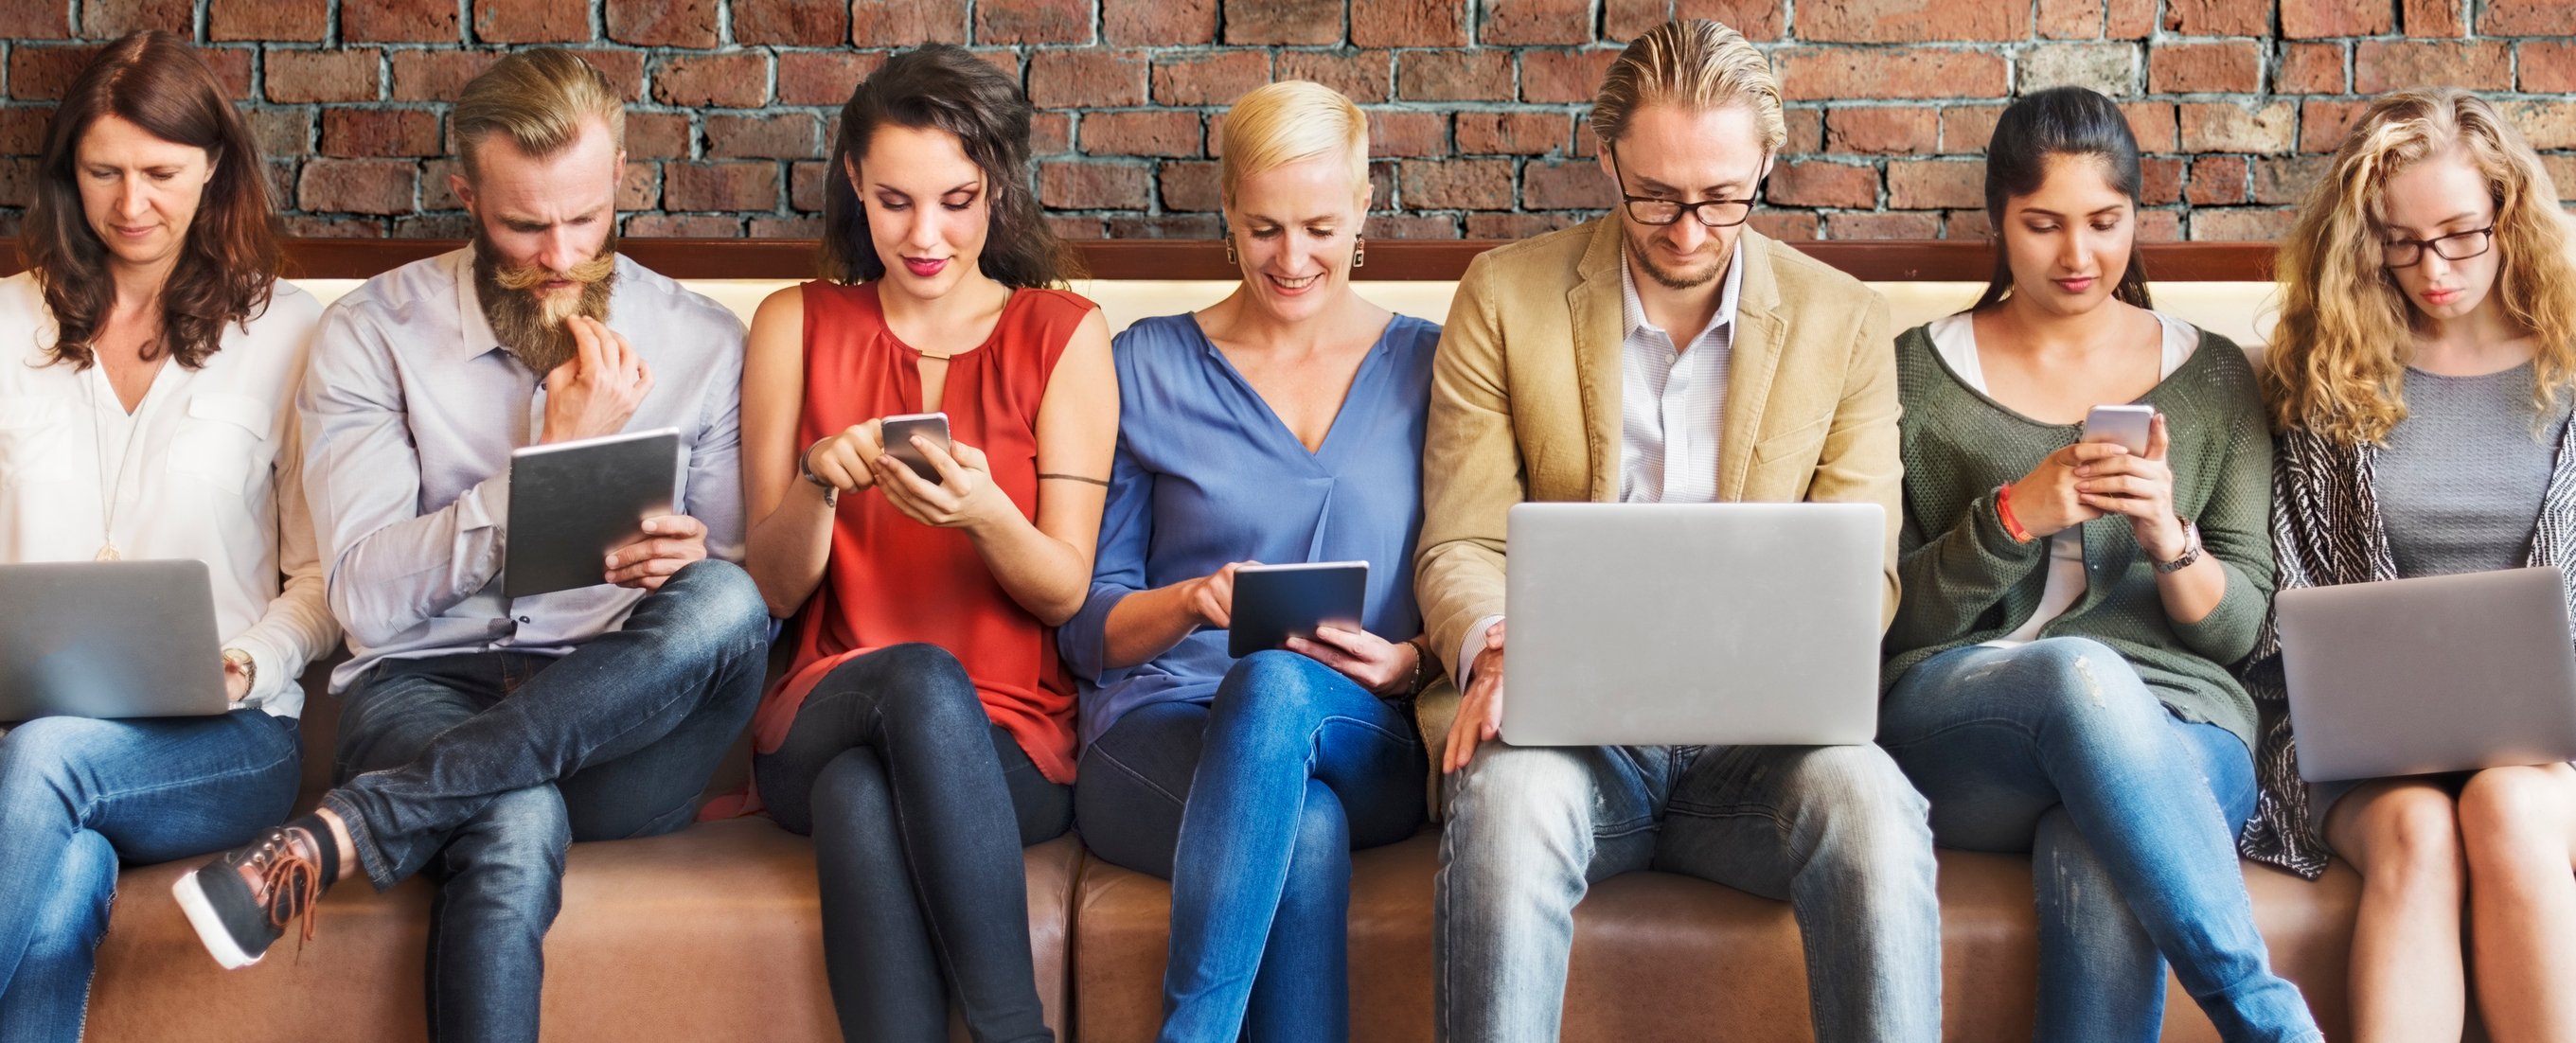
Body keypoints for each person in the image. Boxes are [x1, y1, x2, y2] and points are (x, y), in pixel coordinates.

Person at [169, 48, 769, 1043]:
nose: (562, 253)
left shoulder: (704, 341)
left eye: (586, 217)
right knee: (513, 812)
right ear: (465, 194)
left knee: (728, 605)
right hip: (427, 693)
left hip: (621, 721)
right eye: (524, 224)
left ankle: (352, 827)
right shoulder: (372, 334)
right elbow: (361, 598)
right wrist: (552, 463)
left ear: (621, 174)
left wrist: (697, 555)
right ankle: (389, 811)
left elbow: (740, 582)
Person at [1422, 20, 1940, 1042]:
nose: (1689, 230)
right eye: (1655, 195)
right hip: (1564, 743)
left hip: (1758, 756)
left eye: (1722, 198)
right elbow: (1462, 544)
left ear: (1766, 164)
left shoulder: (1844, 322)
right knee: (1506, 809)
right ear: (1605, 157)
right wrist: (1493, 645)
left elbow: (1861, 573)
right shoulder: (1505, 295)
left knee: (1872, 802)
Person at [1875, 84, 2318, 1043]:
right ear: (1998, 219)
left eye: (2105, 223)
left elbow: (2239, 633)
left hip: (2181, 724)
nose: (2078, 257)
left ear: (2136, 218)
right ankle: (2272, 1023)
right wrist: (2011, 517)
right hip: (1967, 718)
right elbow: (1887, 621)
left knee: (2097, 834)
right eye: (2042, 225)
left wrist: (2170, 538)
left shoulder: (2211, 379)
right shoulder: (1916, 371)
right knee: (2081, 669)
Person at [725, 44, 1114, 1043]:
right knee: (909, 685)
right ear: (855, 183)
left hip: (1012, 741)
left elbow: (1064, 590)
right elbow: (769, 591)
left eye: (957, 199)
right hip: (823, 703)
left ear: (997, 190)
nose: (926, 234)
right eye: (894, 201)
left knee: (865, 796)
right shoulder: (795, 325)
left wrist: (987, 514)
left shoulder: (1063, 335)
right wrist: (818, 478)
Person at [1060, 80, 1438, 1042]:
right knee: (1301, 834)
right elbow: (1085, 627)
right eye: (1264, 227)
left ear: (1364, 205)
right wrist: (1190, 600)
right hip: (1160, 732)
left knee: (1274, 684)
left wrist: (1416, 658)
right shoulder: (1142, 364)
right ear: (1226, 210)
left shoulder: (1434, 368)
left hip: (1363, 733)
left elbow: (1482, 568)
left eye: (1319, 225)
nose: (1293, 257)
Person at [0, 31, 334, 1042]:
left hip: (226, 742)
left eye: (160, 174)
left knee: (52, 761)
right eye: (104, 172)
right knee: (63, 873)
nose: (132, 204)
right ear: (69, 176)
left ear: (215, 170)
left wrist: (249, 658)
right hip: (24, 749)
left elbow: (321, 578)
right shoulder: (5, 326)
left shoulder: (288, 331)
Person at [2241, 87, 2576, 1043]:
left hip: (2556, 755)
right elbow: (2289, 595)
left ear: (2511, 212)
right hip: (2368, 753)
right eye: (2402, 241)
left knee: (2507, 804)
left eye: (2463, 234)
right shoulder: (2325, 378)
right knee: (2420, 829)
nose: (2435, 269)